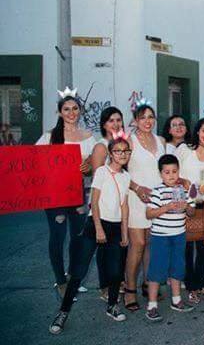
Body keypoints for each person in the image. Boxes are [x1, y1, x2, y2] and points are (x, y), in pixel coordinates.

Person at [49, 134, 131, 334]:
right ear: (111, 153)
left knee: (115, 271)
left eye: (126, 151)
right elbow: (94, 202)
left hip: (116, 227)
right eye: (118, 151)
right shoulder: (102, 171)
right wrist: (99, 227)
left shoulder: (126, 176)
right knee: (79, 272)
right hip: (95, 225)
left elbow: (124, 205)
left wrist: (125, 232)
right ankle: (63, 312)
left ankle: (112, 305)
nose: (123, 155)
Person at [36, 91, 96, 298]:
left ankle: (72, 276)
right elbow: (35, 163)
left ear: (80, 111)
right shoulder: (49, 136)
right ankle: (60, 280)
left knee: (78, 237)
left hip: (77, 193)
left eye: (75, 108)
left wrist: (87, 167)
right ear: (60, 112)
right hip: (54, 196)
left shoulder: (89, 137)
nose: (71, 112)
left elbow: (92, 169)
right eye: (67, 109)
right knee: (58, 236)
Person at [176, 117, 204, 304]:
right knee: (186, 249)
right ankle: (191, 286)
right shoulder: (184, 150)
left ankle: (200, 283)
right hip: (185, 205)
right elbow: (170, 172)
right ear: (197, 131)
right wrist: (183, 181)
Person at [125, 103, 165, 312]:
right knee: (138, 244)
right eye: (143, 117)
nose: (147, 121)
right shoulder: (129, 142)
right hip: (135, 198)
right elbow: (119, 170)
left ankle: (148, 283)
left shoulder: (160, 141)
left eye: (151, 117)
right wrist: (137, 188)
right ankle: (129, 288)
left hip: (156, 200)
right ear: (135, 121)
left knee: (151, 243)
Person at [145, 154, 195, 322]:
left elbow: (192, 212)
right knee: (157, 269)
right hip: (160, 237)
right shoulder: (157, 191)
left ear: (178, 171)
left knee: (177, 267)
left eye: (174, 171)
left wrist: (187, 206)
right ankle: (152, 305)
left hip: (179, 235)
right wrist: (166, 207)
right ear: (161, 174)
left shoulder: (184, 190)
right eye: (167, 172)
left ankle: (176, 300)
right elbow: (149, 213)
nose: (171, 175)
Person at [89, 106, 125, 301]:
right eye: (111, 120)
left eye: (119, 120)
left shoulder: (123, 145)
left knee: (118, 247)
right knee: (103, 249)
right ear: (104, 124)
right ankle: (105, 286)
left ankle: (117, 282)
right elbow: (97, 181)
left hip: (120, 205)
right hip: (103, 207)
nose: (116, 124)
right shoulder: (101, 147)